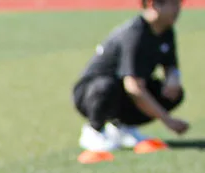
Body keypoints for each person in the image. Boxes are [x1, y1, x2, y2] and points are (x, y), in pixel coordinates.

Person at [72, 0, 189, 154]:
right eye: (173, 4)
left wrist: (173, 77)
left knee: (174, 93)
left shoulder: (165, 31)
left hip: (122, 91)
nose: (178, 9)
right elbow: (133, 87)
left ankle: (122, 128)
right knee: (107, 87)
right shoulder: (135, 34)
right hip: (91, 94)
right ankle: (94, 131)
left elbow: (170, 65)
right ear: (153, 5)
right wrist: (167, 120)